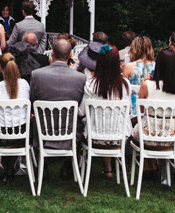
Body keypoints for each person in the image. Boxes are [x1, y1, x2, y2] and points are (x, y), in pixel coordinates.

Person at [30, 39, 87, 179]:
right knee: (79, 121)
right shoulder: (80, 78)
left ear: (52, 53)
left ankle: (43, 166)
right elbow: (81, 105)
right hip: (70, 130)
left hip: (43, 129)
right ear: (70, 55)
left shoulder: (37, 74)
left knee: (34, 119)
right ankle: (68, 165)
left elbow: (32, 101)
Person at [78, 45, 130, 179]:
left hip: (95, 138)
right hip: (119, 138)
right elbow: (127, 111)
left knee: (86, 125)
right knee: (109, 125)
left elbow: (81, 112)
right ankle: (108, 169)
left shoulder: (91, 84)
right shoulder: (124, 85)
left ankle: (78, 168)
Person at [0, 52, 30, 182]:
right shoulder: (25, 85)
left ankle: (9, 169)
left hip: (0, 138)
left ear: (0, 67)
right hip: (22, 136)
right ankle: (10, 168)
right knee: (17, 128)